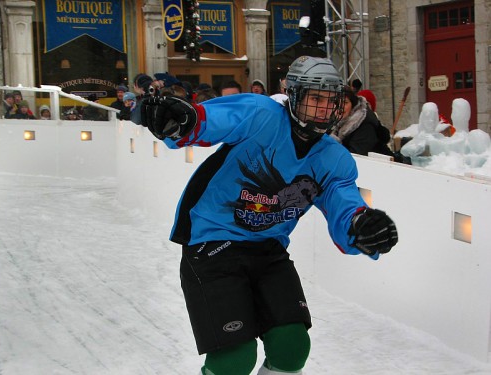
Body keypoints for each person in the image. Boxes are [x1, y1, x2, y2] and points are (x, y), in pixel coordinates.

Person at [134, 56, 398, 375]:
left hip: (268, 250)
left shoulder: (333, 158)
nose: (323, 109)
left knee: (291, 347)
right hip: (212, 242)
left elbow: (344, 204)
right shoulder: (262, 114)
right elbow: (208, 121)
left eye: (330, 101)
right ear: (295, 95)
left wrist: (361, 227)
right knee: (234, 357)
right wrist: (182, 119)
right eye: (315, 98)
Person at [331, 86, 393, 157]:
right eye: (336, 102)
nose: (340, 106)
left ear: (353, 105)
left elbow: (355, 157)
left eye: (345, 102)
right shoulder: (333, 122)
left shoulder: (365, 124)